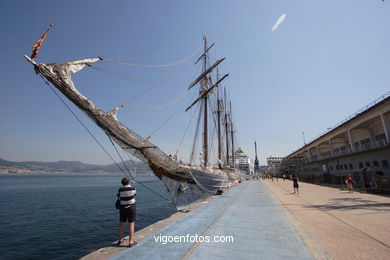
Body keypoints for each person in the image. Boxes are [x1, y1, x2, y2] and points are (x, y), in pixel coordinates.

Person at [117, 177, 137, 247]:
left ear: (122, 183)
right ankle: (131, 242)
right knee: (131, 224)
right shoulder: (133, 188)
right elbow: (134, 195)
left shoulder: (120, 189)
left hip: (122, 208)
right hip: (131, 207)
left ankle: (120, 240)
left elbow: (118, 196)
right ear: (128, 182)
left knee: (122, 223)